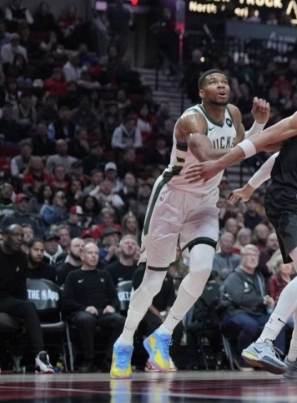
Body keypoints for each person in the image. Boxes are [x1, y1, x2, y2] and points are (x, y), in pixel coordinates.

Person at [110, 71, 268, 379]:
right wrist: (258, 140)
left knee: (202, 269)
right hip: (172, 198)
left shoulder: (234, 113)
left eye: (224, 81)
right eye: (213, 82)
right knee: (153, 282)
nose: (221, 85)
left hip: (205, 200)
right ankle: (125, 340)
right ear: (201, 92)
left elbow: (240, 147)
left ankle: (163, 334)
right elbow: (208, 156)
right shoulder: (191, 120)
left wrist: (258, 126)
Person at [191, 78, 297, 379]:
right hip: (288, 199)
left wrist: (250, 187)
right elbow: (261, 142)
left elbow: (281, 155)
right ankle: (263, 342)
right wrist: (220, 164)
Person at [62, 243, 126, 372]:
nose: (94, 256)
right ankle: (89, 360)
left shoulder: (105, 274)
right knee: (87, 319)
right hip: (81, 312)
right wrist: (84, 308)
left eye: (96, 253)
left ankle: (108, 359)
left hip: (104, 312)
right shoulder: (73, 276)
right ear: (82, 255)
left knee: (121, 320)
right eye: (90, 253)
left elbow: (114, 297)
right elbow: (66, 301)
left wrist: (112, 306)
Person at [0, 224, 55, 373]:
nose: (19, 239)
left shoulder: (22, 257)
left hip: (6, 300)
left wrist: (21, 314)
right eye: (15, 235)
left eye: (21, 235)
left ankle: (40, 355)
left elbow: (20, 289)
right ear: (4, 236)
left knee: (28, 306)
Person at [220, 245, 274, 360]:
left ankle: (272, 357)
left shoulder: (259, 276)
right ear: (242, 257)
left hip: (256, 313)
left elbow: (262, 296)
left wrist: (268, 300)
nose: (253, 258)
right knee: (251, 325)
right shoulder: (234, 276)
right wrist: (261, 300)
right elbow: (239, 298)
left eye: (255, 255)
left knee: (275, 324)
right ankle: (242, 357)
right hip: (235, 312)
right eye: (249, 255)